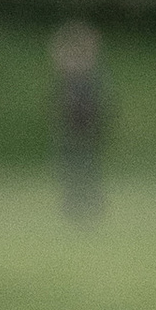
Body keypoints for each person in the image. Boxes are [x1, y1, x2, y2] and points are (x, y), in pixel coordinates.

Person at [48, 18, 107, 221]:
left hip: (86, 130)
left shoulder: (88, 76)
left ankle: (89, 208)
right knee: (72, 172)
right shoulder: (68, 76)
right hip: (70, 131)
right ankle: (74, 208)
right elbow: (57, 55)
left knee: (86, 170)